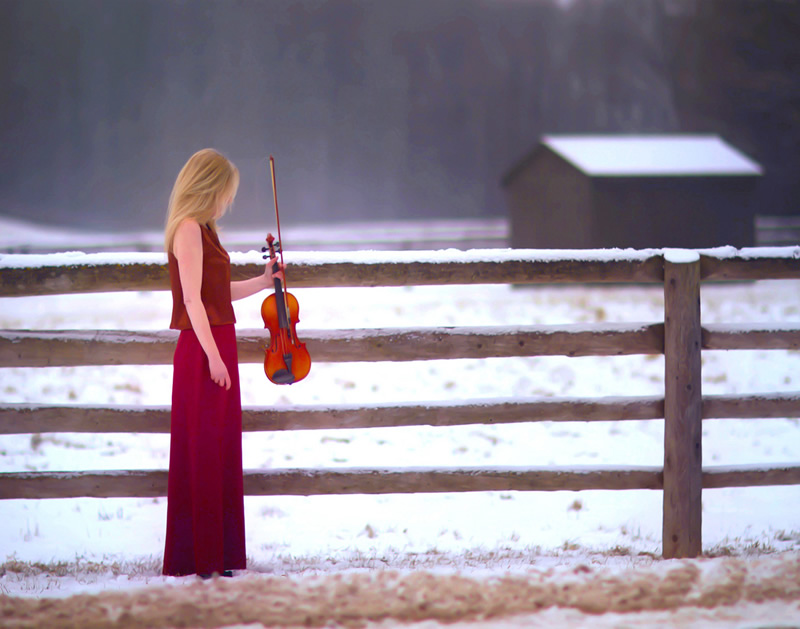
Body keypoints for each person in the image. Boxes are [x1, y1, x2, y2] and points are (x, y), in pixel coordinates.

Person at [162, 148, 280, 578]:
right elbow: (192, 300)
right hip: (202, 350)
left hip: (216, 345)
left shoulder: (205, 229)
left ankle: (219, 556)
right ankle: (203, 558)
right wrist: (212, 356)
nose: (226, 202)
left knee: (220, 450)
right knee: (205, 451)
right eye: (224, 192)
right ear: (207, 186)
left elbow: (217, 291)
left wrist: (266, 281)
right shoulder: (188, 229)